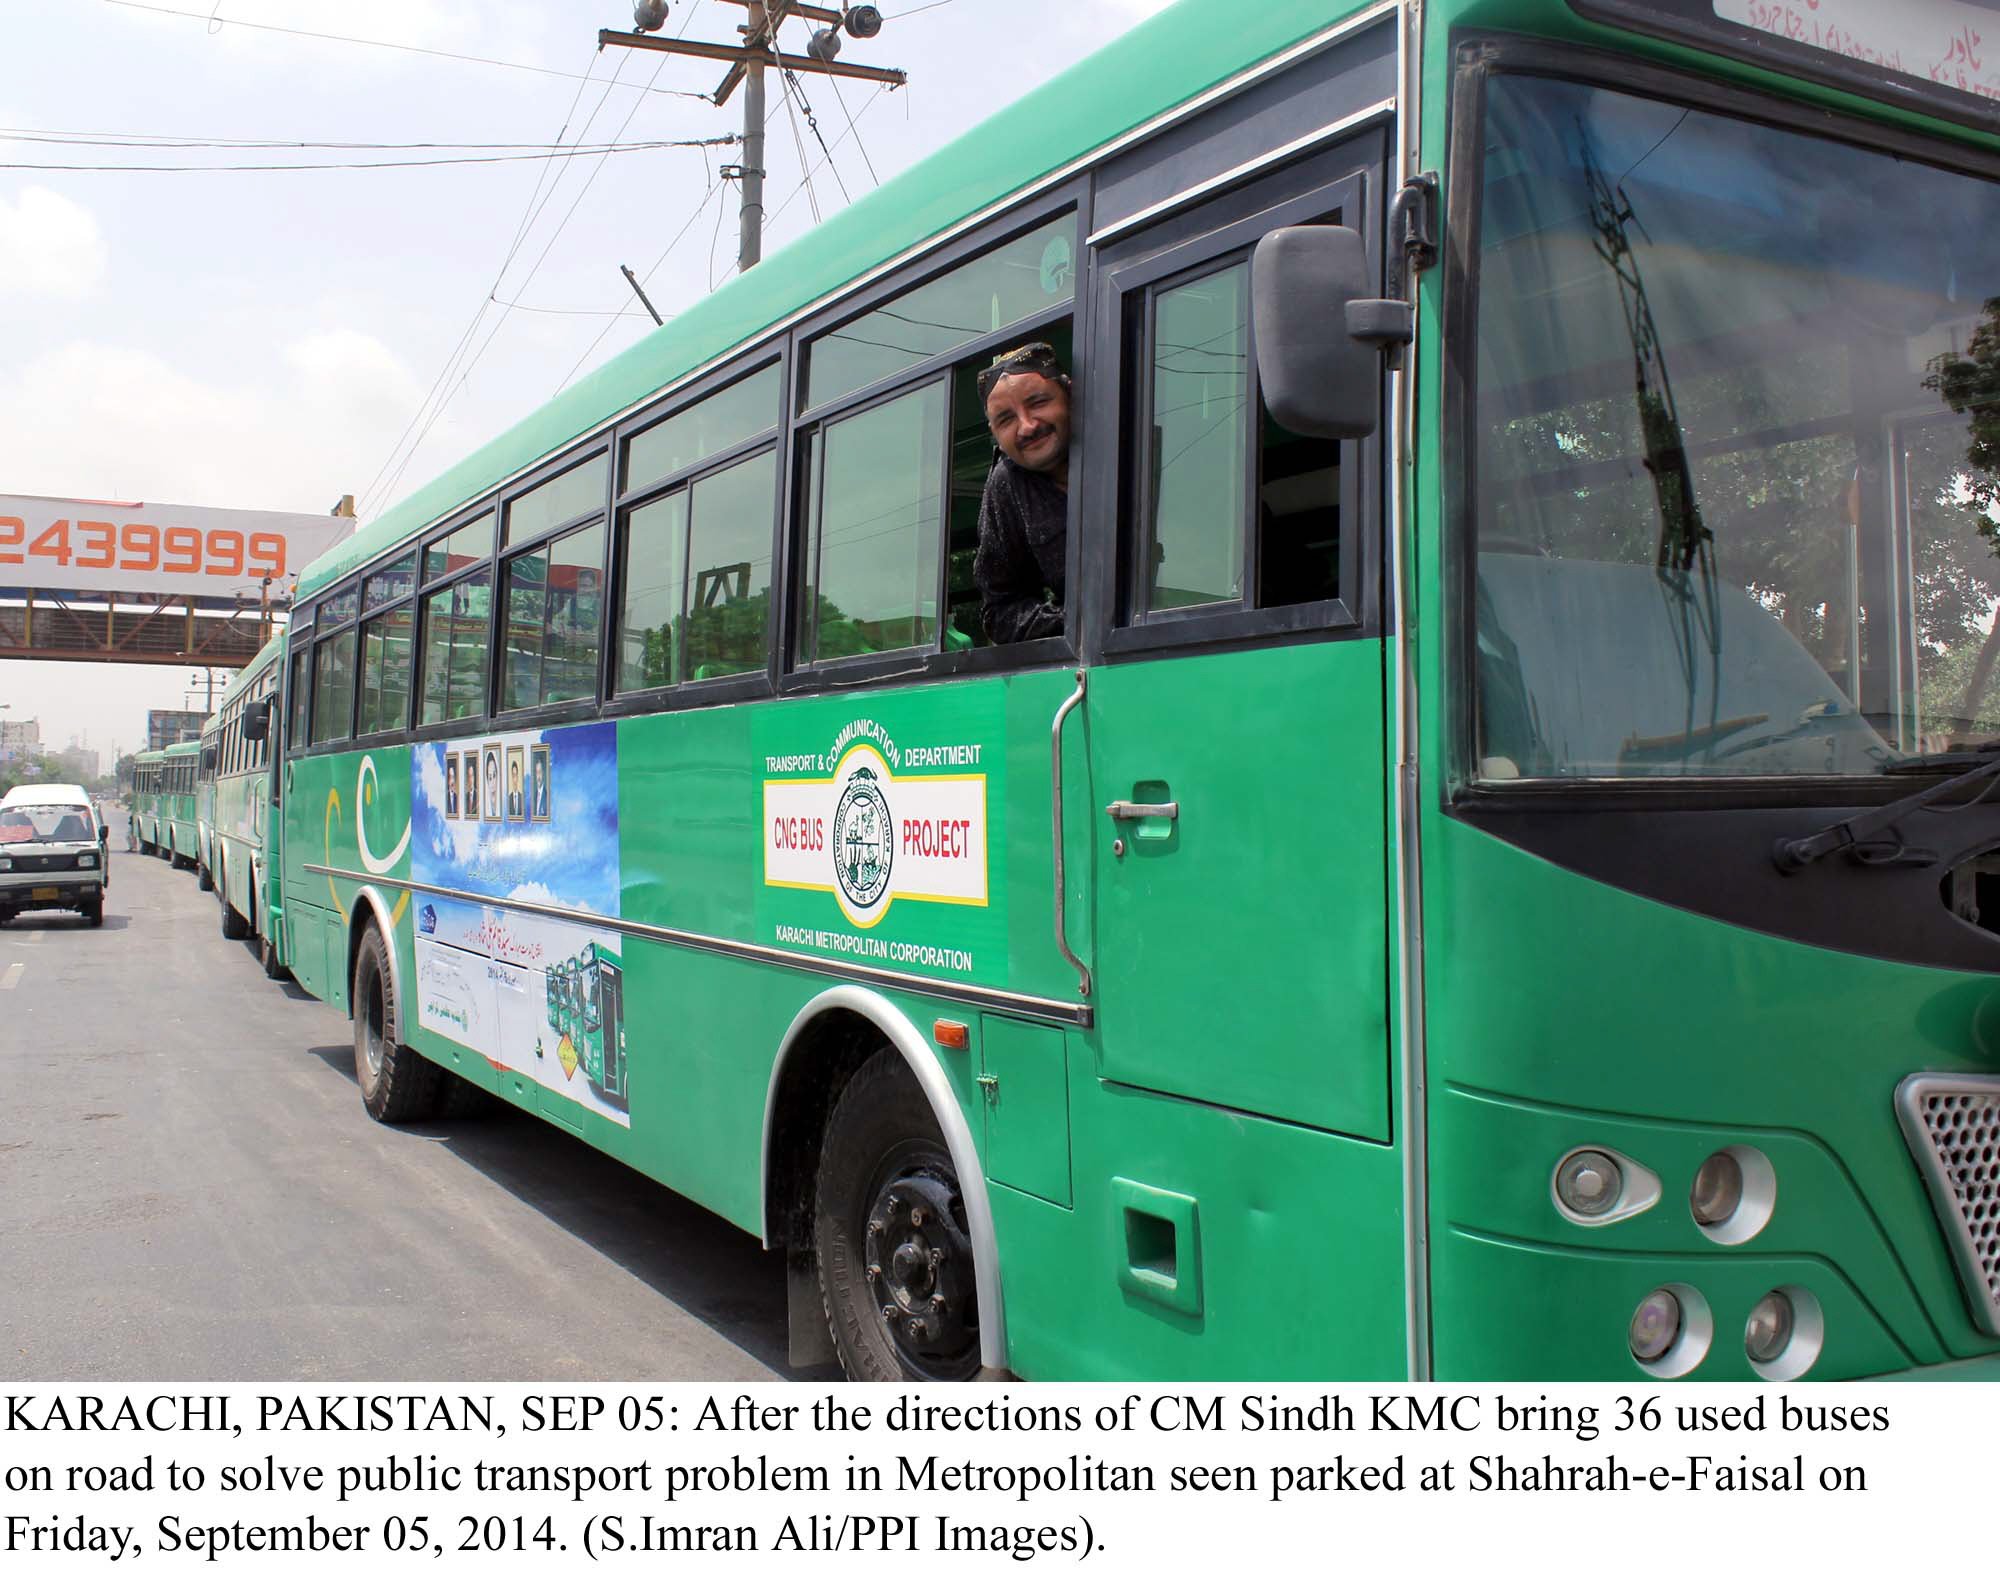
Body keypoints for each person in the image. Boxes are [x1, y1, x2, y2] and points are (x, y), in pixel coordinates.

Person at [973, 342, 1072, 644]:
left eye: (1038, 402)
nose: (1027, 426)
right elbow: (1001, 611)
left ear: (1071, 394)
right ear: (996, 436)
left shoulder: (1131, 436)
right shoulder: (1007, 483)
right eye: (1006, 419)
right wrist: (1073, 618)